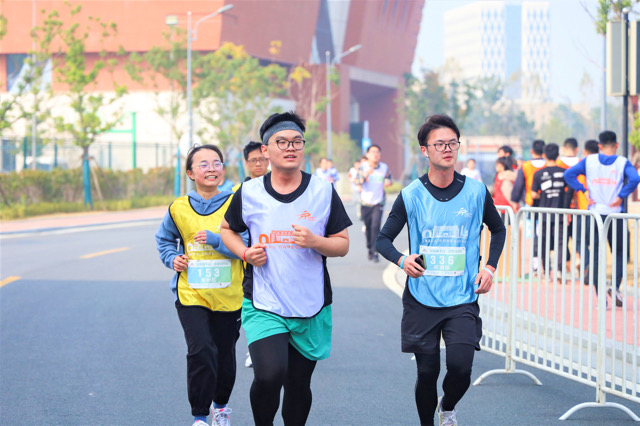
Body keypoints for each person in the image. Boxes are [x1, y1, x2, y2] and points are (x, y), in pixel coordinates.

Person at [220, 111, 352, 426]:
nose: (290, 147)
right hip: (264, 302)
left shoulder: (322, 190)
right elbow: (227, 229)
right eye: (282, 142)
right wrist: (244, 253)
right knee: (269, 374)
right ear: (266, 150)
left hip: (311, 304)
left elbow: (343, 244)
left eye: (296, 142)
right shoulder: (249, 192)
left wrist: (316, 241)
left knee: (297, 384)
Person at [376, 114, 506, 426]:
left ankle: (447, 407)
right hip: (422, 297)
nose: (447, 149)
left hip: (462, 296)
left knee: (461, 367)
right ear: (425, 150)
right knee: (427, 372)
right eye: (439, 144)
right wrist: (401, 260)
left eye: (452, 143)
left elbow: (498, 230)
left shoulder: (475, 191)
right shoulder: (411, 195)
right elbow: (383, 240)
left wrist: (489, 268)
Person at [155, 144, 246, 426]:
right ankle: (199, 417)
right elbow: (164, 240)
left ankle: (221, 407)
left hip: (229, 293)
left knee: (224, 352)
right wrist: (173, 259)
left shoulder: (236, 204)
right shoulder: (178, 208)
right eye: (203, 164)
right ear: (190, 172)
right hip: (190, 292)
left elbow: (249, 246)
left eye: (217, 163)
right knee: (201, 350)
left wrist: (218, 240)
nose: (211, 169)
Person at [564, 130, 640, 306]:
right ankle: (614, 286)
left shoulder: (589, 161)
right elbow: (635, 178)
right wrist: (621, 195)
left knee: (597, 256)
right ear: (617, 145)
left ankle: (601, 297)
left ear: (599, 146)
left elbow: (569, 175)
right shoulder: (622, 162)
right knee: (621, 253)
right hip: (616, 213)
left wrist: (582, 190)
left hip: (596, 214)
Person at [233, 141, 271, 368]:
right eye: (253, 160)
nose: (258, 164)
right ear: (245, 164)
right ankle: (254, 349)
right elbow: (229, 230)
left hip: (277, 257)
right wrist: (245, 251)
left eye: (262, 159)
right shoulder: (241, 192)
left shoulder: (279, 188)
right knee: (252, 305)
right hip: (248, 260)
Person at [530, 143, 572, 280]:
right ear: (558, 155)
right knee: (560, 242)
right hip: (560, 213)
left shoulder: (538, 174)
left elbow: (533, 194)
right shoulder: (565, 172)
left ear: (543, 155)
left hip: (543, 213)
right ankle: (559, 270)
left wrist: (540, 195)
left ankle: (547, 270)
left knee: (543, 242)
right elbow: (569, 190)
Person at [511, 139, 546, 273]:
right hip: (549, 205)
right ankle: (547, 264)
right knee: (546, 235)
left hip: (531, 204)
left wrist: (515, 201)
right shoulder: (548, 164)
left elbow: (519, 185)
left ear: (532, 151)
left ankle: (536, 264)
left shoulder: (526, 166)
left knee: (534, 236)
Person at [357, 144, 392, 263]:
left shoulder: (384, 167)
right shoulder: (363, 167)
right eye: (373, 152)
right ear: (367, 155)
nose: (375, 154)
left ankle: (375, 251)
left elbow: (389, 179)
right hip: (365, 202)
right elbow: (358, 181)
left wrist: (388, 182)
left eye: (377, 152)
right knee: (368, 227)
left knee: (375, 226)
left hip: (379, 202)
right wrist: (366, 174)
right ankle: (369, 249)